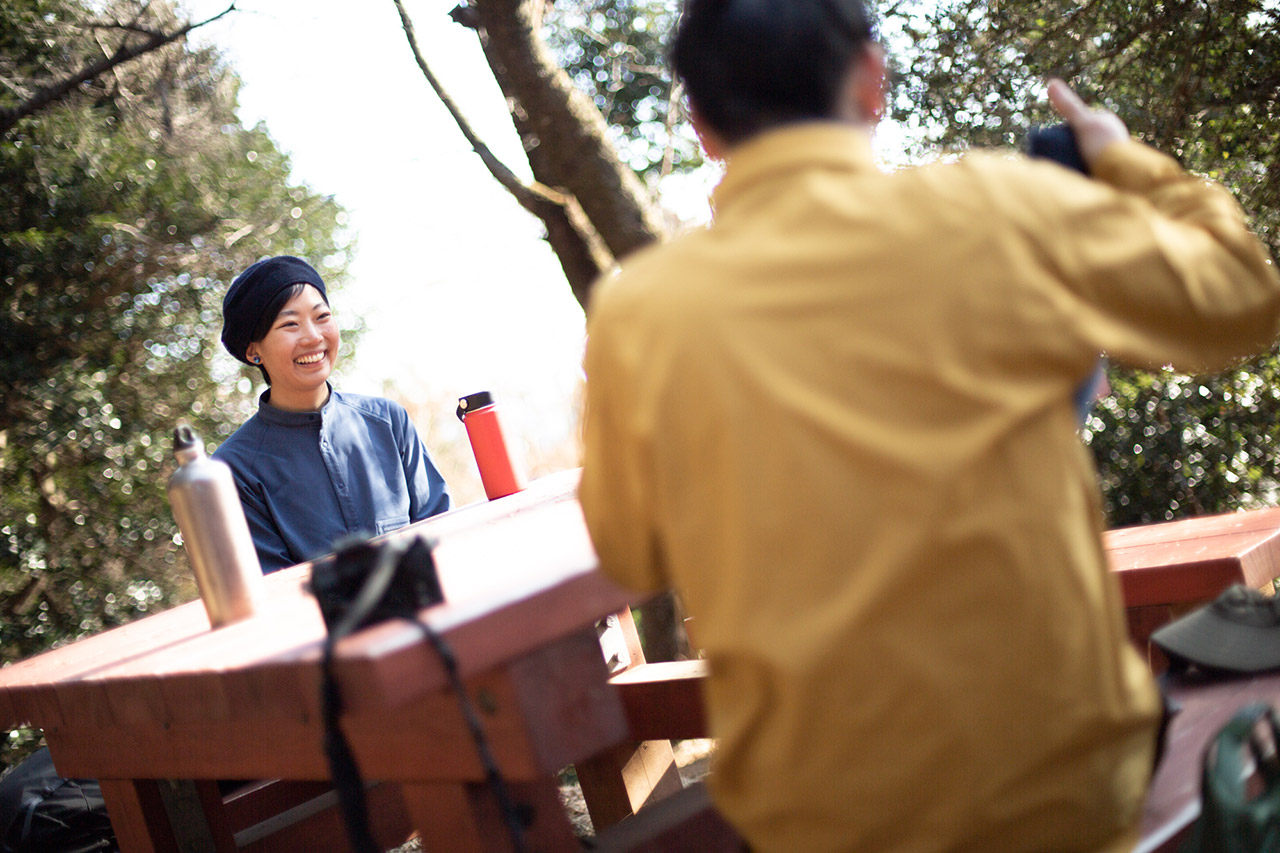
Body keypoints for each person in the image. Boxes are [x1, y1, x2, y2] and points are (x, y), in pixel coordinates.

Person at [577, 2, 1280, 851]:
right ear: (872, 79)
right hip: (1062, 795)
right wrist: (1120, 160)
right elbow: (1243, 296)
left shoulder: (643, 313)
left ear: (700, 123)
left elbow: (629, 552)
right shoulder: (998, 208)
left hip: (822, 821)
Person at [213, 255, 451, 573]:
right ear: (254, 350)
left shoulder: (388, 422)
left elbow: (441, 531)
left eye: (322, 316)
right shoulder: (234, 469)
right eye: (290, 324)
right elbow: (272, 585)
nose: (313, 336)